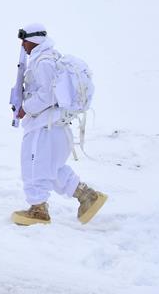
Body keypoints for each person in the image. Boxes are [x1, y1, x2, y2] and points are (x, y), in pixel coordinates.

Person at [11, 23, 108, 226]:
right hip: (54, 126)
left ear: (33, 40)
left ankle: (38, 209)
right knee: (52, 168)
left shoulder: (43, 62)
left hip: (44, 127)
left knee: (33, 166)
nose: (23, 45)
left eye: (25, 40)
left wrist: (25, 108)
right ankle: (86, 196)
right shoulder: (48, 58)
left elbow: (47, 95)